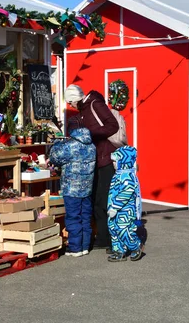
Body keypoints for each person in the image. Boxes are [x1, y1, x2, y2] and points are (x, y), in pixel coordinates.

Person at [64, 84, 119, 253]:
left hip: (105, 159)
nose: (71, 106)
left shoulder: (94, 104)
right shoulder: (85, 109)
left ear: (75, 99)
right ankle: (102, 237)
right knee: (96, 200)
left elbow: (113, 125)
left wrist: (90, 134)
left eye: (71, 103)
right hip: (95, 159)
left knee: (103, 201)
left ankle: (111, 240)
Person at [49, 116, 96, 257]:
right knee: (86, 216)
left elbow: (54, 157)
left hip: (72, 187)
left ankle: (75, 248)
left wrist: (56, 143)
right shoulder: (91, 145)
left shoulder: (70, 145)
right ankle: (85, 246)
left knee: (73, 217)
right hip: (87, 187)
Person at [107, 146, 143, 262]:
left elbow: (125, 193)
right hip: (114, 209)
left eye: (115, 161)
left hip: (125, 210)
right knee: (113, 228)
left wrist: (115, 207)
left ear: (124, 161)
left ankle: (135, 246)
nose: (113, 163)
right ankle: (119, 250)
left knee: (124, 229)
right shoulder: (118, 174)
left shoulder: (128, 176)